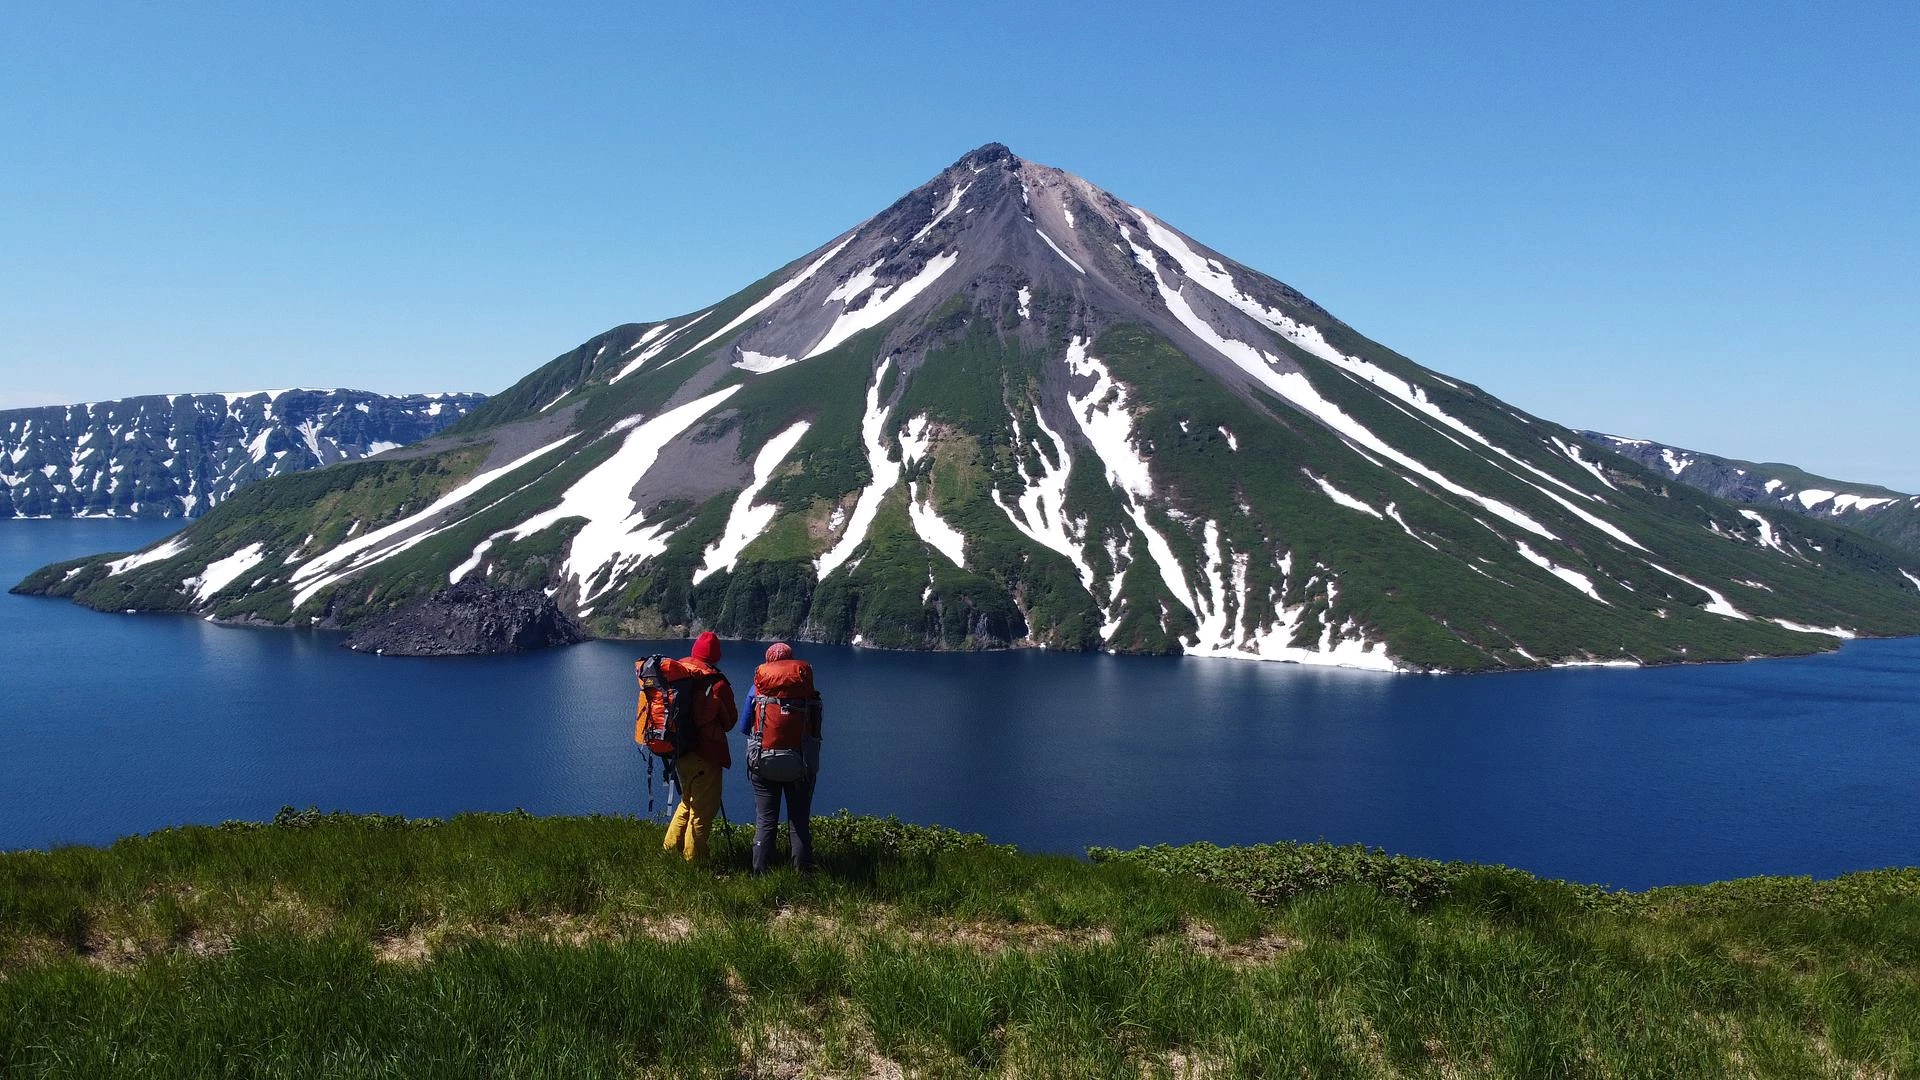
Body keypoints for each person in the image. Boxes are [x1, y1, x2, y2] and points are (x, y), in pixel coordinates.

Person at [738, 641, 822, 873]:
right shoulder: (806, 688)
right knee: (799, 821)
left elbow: (744, 727)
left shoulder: (757, 688)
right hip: (800, 764)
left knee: (766, 820)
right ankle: (803, 872)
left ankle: (760, 871)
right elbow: (815, 729)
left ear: (768, 661)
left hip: (763, 763)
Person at [660, 631, 737, 863]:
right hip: (706, 754)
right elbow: (730, 722)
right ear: (716, 655)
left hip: (679, 749)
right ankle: (694, 863)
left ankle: (669, 851)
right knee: (702, 811)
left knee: (687, 801)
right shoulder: (716, 683)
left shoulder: (677, 674)